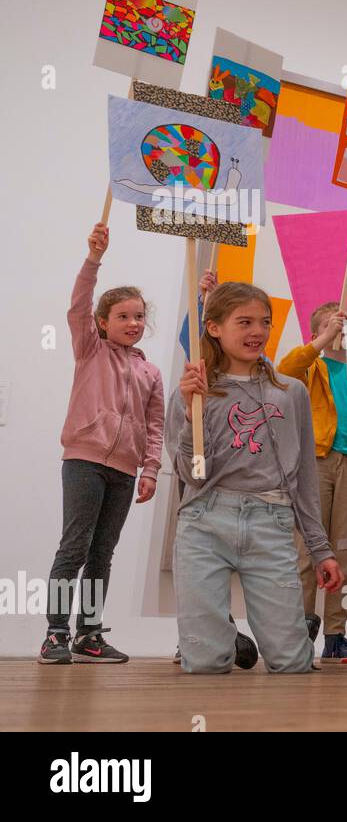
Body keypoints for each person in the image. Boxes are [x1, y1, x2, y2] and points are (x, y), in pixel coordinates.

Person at [168, 282, 343, 673]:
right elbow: (190, 474)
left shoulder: (290, 392)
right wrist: (187, 410)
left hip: (271, 521)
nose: (257, 332)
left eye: (264, 322)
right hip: (204, 522)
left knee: (293, 662)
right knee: (206, 662)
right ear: (213, 327)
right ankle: (222, 644)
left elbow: (304, 478)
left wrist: (320, 549)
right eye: (244, 322)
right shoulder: (195, 389)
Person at [40, 222, 164, 665]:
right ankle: (55, 632)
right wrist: (93, 259)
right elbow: (76, 307)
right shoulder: (89, 349)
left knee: (102, 553)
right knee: (73, 547)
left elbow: (155, 425)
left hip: (126, 470)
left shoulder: (151, 373)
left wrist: (150, 469)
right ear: (103, 322)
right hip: (84, 462)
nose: (132, 323)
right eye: (123, 316)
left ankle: (89, 633)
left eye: (138, 316)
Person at [276, 302, 347, 665]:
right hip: (315, 462)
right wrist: (323, 340)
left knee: (345, 553)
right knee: (307, 551)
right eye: (333, 327)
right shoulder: (310, 367)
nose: (341, 332)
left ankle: (336, 635)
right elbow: (284, 370)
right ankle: (298, 632)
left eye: (345, 326)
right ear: (318, 332)